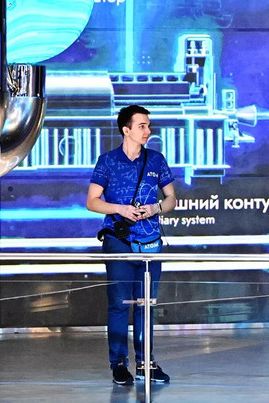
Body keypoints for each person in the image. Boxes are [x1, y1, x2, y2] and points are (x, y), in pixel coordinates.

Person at [87, 104, 177, 386]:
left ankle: (146, 363)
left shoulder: (156, 160)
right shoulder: (107, 161)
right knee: (118, 304)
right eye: (142, 126)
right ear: (126, 130)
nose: (148, 131)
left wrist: (155, 209)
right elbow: (92, 202)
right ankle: (118, 364)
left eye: (148, 126)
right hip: (119, 241)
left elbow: (171, 199)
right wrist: (121, 209)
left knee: (146, 305)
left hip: (151, 243)